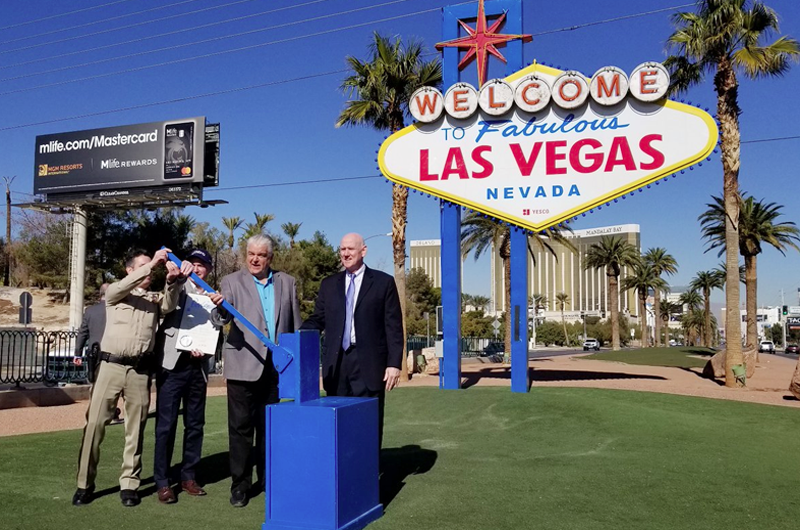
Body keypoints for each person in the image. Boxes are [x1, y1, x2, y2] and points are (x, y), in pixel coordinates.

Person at [72, 248, 192, 508]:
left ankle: (129, 484)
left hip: (139, 371)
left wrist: (172, 283)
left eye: (151, 267)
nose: (150, 271)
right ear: (130, 270)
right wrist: (153, 264)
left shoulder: (152, 299)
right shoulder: (115, 292)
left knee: (135, 430)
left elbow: (169, 305)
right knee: (94, 426)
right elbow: (121, 287)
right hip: (110, 366)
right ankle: (84, 484)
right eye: (143, 266)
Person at [214, 234, 300, 508]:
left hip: (276, 369)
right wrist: (219, 308)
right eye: (251, 253)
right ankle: (240, 485)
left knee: (270, 428)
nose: (254, 259)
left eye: (260, 255)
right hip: (242, 366)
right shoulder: (231, 282)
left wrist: (296, 363)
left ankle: (268, 480)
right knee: (240, 429)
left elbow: (295, 325)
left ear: (270, 258)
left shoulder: (287, 283)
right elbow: (220, 317)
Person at [301, 232, 403, 446]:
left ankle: (369, 476)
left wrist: (394, 364)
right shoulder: (329, 284)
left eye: (350, 249)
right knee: (338, 427)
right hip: (336, 365)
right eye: (342, 249)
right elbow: (318, 318)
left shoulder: (383, 283)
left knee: (368, 426)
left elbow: (393, 326)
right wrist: (298, 334)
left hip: (369, 364)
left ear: (363, 251)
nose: (345, 254)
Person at [153, 249, 224, 504]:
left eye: (202, 265)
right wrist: (174, 280)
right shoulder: (178, 284)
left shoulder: (212, 294)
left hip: (198, 368)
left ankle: (189, 476)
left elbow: (218, 324)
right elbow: (168, 304)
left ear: (209, 269)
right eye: (193, 264)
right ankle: (162, 481)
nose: (197, 269)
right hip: (172, 367)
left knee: (195, 425)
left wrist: (221, 309)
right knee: (166, 426)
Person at [75, 284, 122, 424]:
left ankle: (94, 416)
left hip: (94, 354)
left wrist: (77, 353)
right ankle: (110, 414)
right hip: (114, 352)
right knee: (114, 386)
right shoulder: (118, 310)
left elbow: (82, 333)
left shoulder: (90, 311)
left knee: (96, 386)